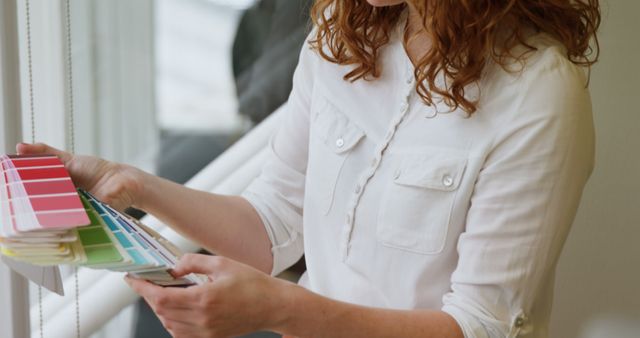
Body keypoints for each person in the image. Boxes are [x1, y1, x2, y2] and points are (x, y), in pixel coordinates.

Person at [18, 0, 600, 337]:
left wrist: (278, 308)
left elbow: (479, 327)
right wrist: (134, 186)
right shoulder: (342, 34)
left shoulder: (539, 93)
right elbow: (273, 222)